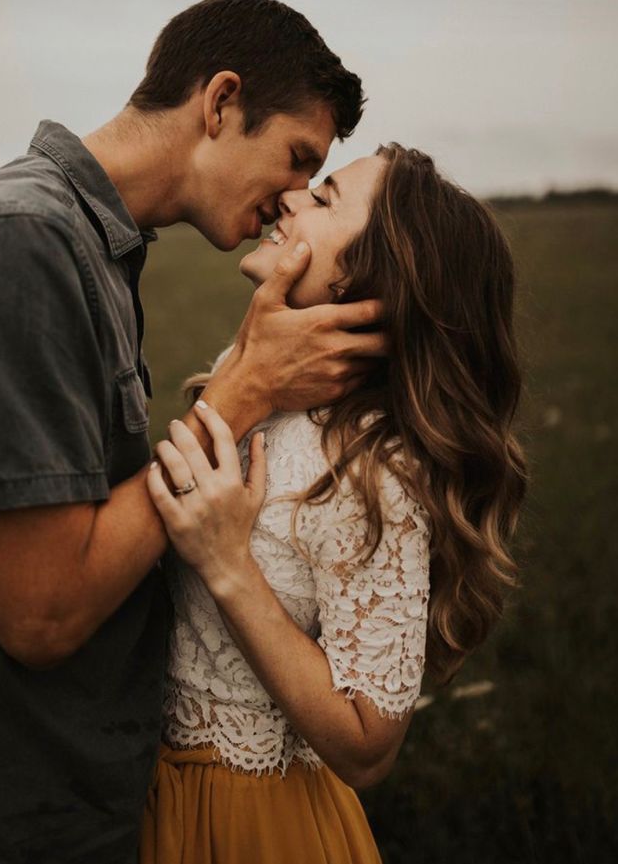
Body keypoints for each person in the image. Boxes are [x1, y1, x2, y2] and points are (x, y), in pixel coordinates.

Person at [0, 0, 385, 863]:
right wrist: (239, 394)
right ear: (219, 102)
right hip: (9, 814)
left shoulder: (94, 245)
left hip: (76, 794)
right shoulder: (22, 239)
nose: (292, 200)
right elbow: (43, 614)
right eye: (296, 157)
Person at [142, 145, 528, 864]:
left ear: (369, 273)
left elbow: (368, 743)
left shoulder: (372, 467)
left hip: (255, 819)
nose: (290, 198)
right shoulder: (245, 374)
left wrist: (230, 565)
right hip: (153, 793)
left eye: (322, 200)